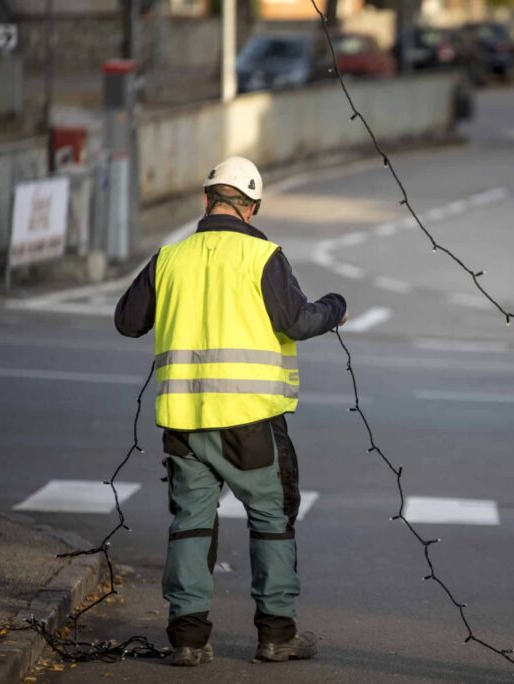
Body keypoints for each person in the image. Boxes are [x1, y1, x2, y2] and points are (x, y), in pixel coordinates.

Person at [115, 156, 348, 667]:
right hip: (248, 420)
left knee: (191, 522)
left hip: (184, 420)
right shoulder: (263, 256)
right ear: (253, 207)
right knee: (270, 517)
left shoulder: (169, 257)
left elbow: (128, 321)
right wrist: (335, 307)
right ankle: (276, 636)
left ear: (207, 201)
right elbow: (297, 321)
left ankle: (188, 640)